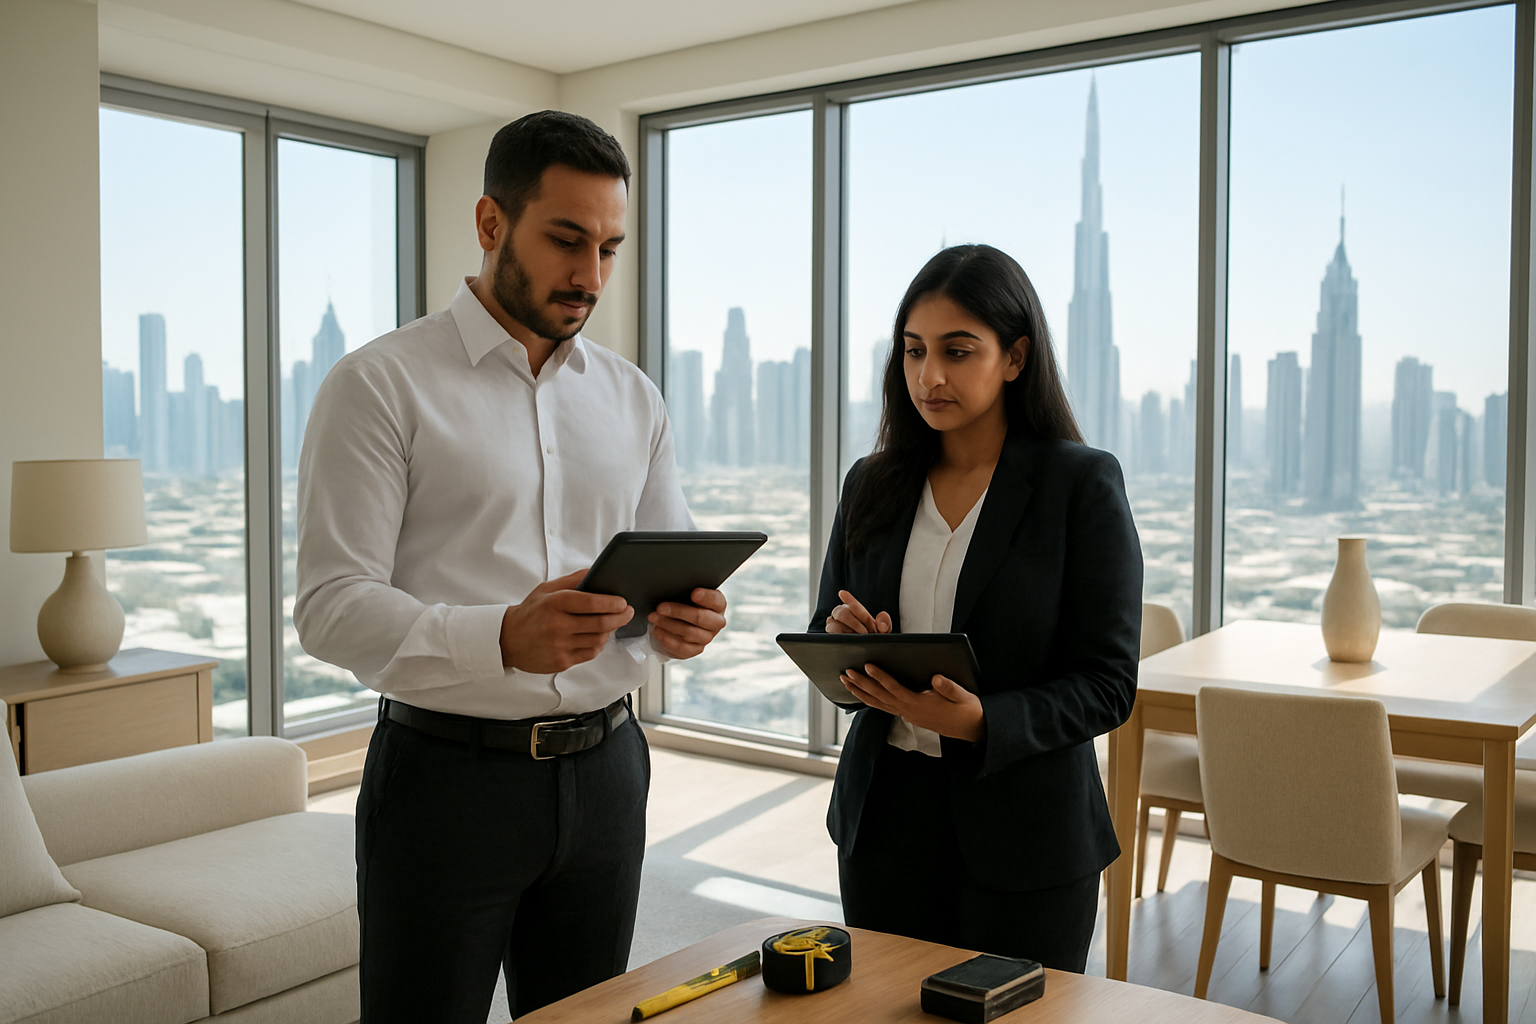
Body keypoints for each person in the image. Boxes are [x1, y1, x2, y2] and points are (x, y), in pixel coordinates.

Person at [294, 110, 728, 1023]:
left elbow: (662, 565)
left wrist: (683, 619)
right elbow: (330, 607)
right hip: (447, 785)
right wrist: (500, 635)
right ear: (492, 224)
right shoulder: (379, 385)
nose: (590, 275)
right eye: (566, 240)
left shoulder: (633, 397)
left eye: (609, 248)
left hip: (611, 772)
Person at [811, 243, 1141, 971]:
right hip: (886, 820)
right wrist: (843, 643)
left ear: (1015, 358)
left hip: (1028, 832)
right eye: (914, 350)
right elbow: (824, 648)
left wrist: (979, 721)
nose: (930, 376)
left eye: (958, 352)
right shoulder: (872, 482)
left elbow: (1108, 684)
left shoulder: (1078, 485)